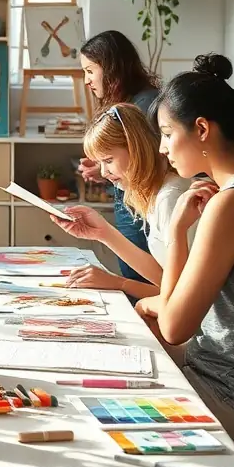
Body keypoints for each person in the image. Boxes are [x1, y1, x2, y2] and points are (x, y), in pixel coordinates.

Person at [136, 54, 234, 448]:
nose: (163, 148)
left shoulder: (231, 203)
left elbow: (174, 328)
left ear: (201, 129)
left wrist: (179, 234)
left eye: (167, 133)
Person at [50, 103, 193, 300]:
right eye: (99, 163)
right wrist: (102, 232)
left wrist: (118, 283)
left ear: (136, 149)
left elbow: (183, 296)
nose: (103, 173)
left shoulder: (170, 197)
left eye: (108, 160)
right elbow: (167, 278)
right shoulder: (155, 193)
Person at [78, 31, 162, 283]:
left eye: (90, 71)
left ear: (112, 67)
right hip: (133, 206)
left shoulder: (143, 105)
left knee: (143, 283)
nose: (86, 80)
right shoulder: (131, 100)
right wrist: (104, 166)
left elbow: (150, 162)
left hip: (141, 211)